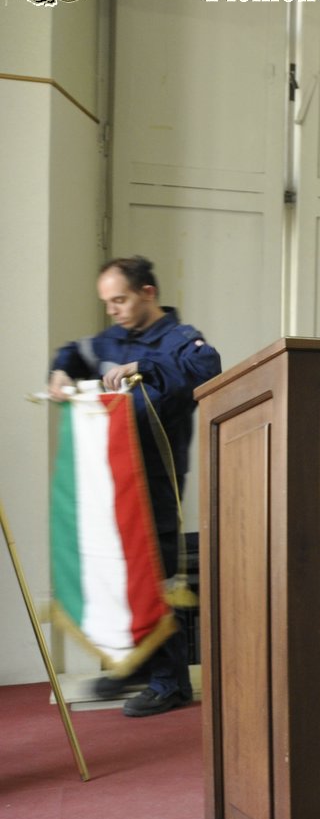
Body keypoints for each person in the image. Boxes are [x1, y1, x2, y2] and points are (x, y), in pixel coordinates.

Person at [49, 257, 221, 718]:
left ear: (148, 292)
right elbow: (73, 350)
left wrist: (141, 365)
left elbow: (209, 367)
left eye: (120, 300)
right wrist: (62, 371)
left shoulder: (181, 341)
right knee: (119, 576)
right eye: (107, 303)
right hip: (108, 480)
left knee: (159, 578)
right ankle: (135, 663)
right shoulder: (111, 338)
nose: (114, 310)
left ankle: (171, 683)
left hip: (155, 482)